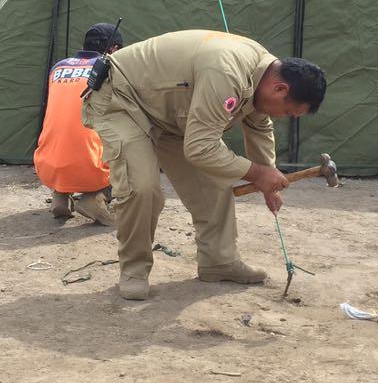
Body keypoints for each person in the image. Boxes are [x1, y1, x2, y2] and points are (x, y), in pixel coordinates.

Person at [81, 29, 326, 301]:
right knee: (142, 188)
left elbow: (258, 125)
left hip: (172, 112)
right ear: (280, 89)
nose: (284, 117)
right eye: (289, 112)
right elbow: (200, 148)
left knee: (215, 180)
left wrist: (267, 178)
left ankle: (218, 262)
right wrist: (257, 173)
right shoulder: (228, 73)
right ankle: (134, 271)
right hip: (123, 99)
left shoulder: (265, 74)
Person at [33, 22, 123, 225]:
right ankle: (96, 198)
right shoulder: (110, 69)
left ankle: (61, 196)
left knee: (67, 131)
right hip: (88, 169)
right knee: (134, 147)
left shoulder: (58, 67)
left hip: (47, 166)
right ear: (114, 49)